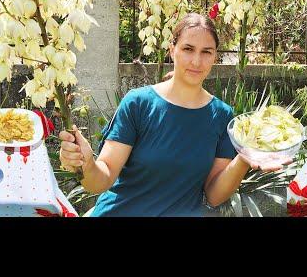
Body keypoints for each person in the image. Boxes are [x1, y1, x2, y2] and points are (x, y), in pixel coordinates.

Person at [58, 12, 287, 216]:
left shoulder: (222, 116)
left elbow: (215, 195)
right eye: (188, 49)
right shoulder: (139, 103)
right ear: (172, 50)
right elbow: (102, 179)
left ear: (215, 56)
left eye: (206, 52)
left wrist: (244, 158)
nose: (196, 61)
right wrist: (86, 164)